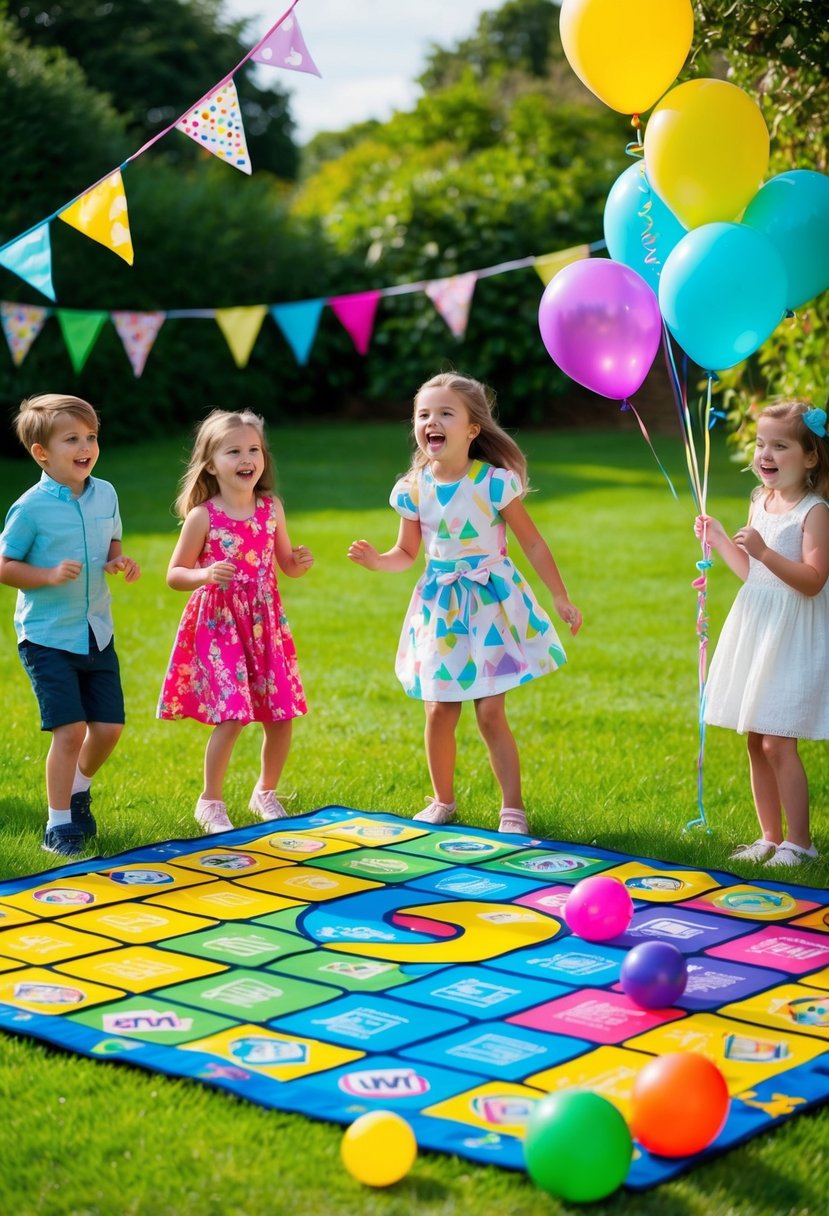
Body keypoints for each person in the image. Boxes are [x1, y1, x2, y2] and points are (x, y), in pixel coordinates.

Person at [348, 371, 581, 835]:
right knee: (438, 710)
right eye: (423, 414)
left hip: (492, 605)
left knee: (490, 712)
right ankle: (443, 800)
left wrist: (559, 595)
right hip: (441, 611)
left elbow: (533, 543)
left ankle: (512, 808)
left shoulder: (493, 484)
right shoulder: (414, 488)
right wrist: (377, 561)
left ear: (473, 429)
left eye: (444, 414)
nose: (431, 422)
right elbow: (407, 553)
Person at [157, 409, 312, 834]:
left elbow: (285, 564)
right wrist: (205, 574)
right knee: (233, 714)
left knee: (280, 714)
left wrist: (298, 563)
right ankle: (210, 802)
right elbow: (175, 574)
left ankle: (266, 792)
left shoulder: (271, 508)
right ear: (210, 464)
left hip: (264, 625)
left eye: (254, 450)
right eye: (234, 452)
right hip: (219, 626)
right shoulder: (203, 516)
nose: (247, 459)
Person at [0, 394, 141, 857]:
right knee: (70, 731)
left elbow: (113, 539)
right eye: (72, 439)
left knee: (110, 727)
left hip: (97, 630)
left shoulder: (107, 493)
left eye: (91, 436)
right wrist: (46, 576)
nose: (86, 447)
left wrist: (118, 561)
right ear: (41, 452)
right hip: (47, 637)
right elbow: (5, 565)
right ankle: (57, 825)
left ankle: (78, 788)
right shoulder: (29, 508)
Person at [695, 399, 829, 867]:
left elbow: (813, 581)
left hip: (791, 637)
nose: (765, 455)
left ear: (809, 457)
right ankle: (769, 837)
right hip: (758, 628)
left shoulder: (814, 511)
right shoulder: (760, 500)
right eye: (759, 444)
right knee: (755, 738)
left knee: (777, 740)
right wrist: (718, 539)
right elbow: (752, 574)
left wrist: (766, 551)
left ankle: (801, 842)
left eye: (780, 446)